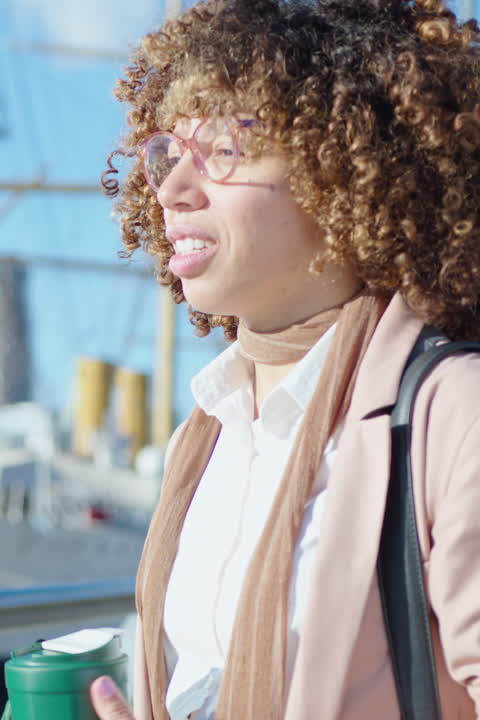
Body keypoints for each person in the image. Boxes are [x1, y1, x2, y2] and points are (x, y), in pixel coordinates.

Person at [91, 1, 480, 718]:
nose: (174, 188)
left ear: (348, 173)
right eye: (167, 155)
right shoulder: (204, 432)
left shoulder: (452, 415)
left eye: (226, 150)